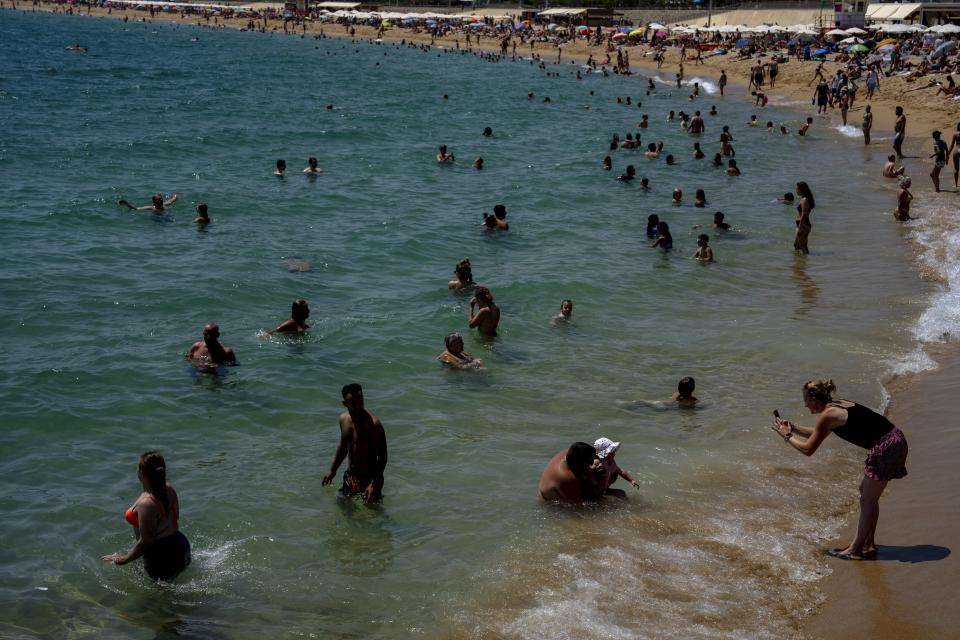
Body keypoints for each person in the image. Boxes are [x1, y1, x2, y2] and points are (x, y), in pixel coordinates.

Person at [772, 379, 908, 560]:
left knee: (868, 499)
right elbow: (818, 432)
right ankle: (867, 544)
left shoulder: (827, 416)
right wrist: (794, 428)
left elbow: (808, 449)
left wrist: (786, 435)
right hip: (895, 439)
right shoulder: (837, 406)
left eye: (806, 400)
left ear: (813, 398)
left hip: (886, 447)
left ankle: (855, 550)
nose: (805, 405)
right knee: (866, 495)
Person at [103, 451, 191, 581]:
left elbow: (147, 541)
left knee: (163, 595)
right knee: (171, 586)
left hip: (162, 554)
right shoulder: (169, 489)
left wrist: (125, 559)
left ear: (142, 474)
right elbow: (175, 517)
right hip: (180, 544)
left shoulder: (147, 503)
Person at [322, 384, 388, 502]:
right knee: (344, 508)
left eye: (360, 401)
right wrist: (333, 470)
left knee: (374, 514)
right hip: (351, 476)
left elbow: (383, 457)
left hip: (371, 478)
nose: (358, 405)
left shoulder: (374, 425)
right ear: (345, 403)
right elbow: (343, 447)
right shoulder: (343, 420)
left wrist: (374, 483)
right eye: (353, 402)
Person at [794, 181, 815, 254]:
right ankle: (800, 263)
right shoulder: (803, 198)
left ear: (801, 189)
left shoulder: (805, 200)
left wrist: (800, 227)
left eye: (797, 188)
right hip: (803, 224)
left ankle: (803, 264)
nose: (796, 190)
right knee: (797, 246)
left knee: (803, 248)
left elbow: (803, 214)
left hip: (803, 225)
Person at [949, 122, 960, 189]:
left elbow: (952, 145)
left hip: (956, 150)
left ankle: (956, 185)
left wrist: (948, 153)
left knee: (956, 169)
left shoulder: (955, 134)